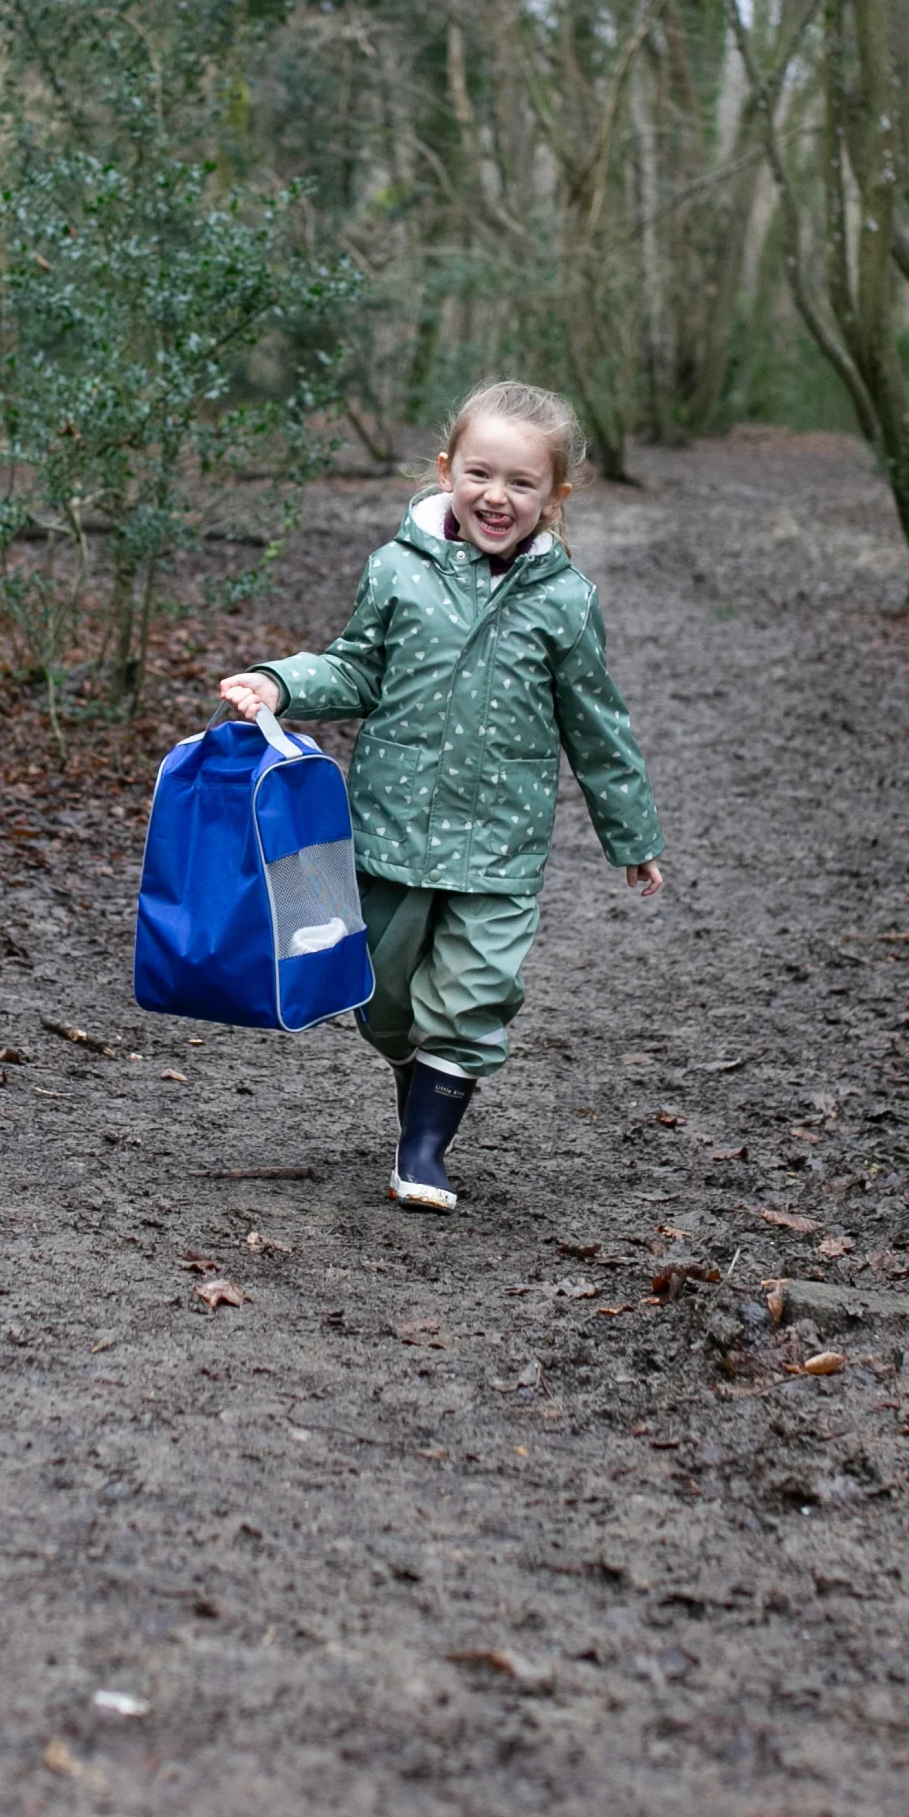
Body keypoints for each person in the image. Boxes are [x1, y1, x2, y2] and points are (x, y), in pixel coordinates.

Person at [219, 380, 664, 1211]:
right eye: (481, 473)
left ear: (554, 498)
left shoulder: (565, 602)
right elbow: (355, 666)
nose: (498, 496)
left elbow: (597, 726)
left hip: (498, 853)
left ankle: (423, 1151)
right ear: (446, 470)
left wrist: (630, 836)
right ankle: (415, 1082)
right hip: (390, 837)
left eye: (522, 483)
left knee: (472, 998)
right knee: (385, 1007)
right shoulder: (396, 571)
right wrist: (278, 683)